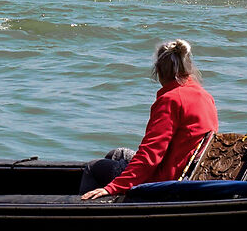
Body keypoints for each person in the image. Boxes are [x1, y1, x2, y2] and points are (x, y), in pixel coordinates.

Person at [79, 39, 219, 201]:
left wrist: (113, 187)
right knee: (116, 154)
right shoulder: (205, 96)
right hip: (189, 170)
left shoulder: (171, 100)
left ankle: (86, 212)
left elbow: (151, 155)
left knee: (92, 167)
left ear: (158, 70)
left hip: (169, 180)